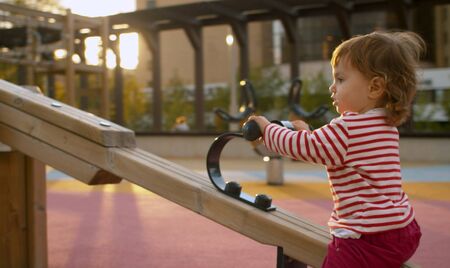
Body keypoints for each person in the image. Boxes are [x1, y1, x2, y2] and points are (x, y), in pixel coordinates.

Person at [247, 31, 425, 268]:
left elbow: (306, 148)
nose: (332, 87)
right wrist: (306, 134)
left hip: (367, 236)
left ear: (375, 87)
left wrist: (266, 128)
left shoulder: (348, 128)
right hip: (403, 229)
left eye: (340, 80)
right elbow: (329, 148)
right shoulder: (385, 125)